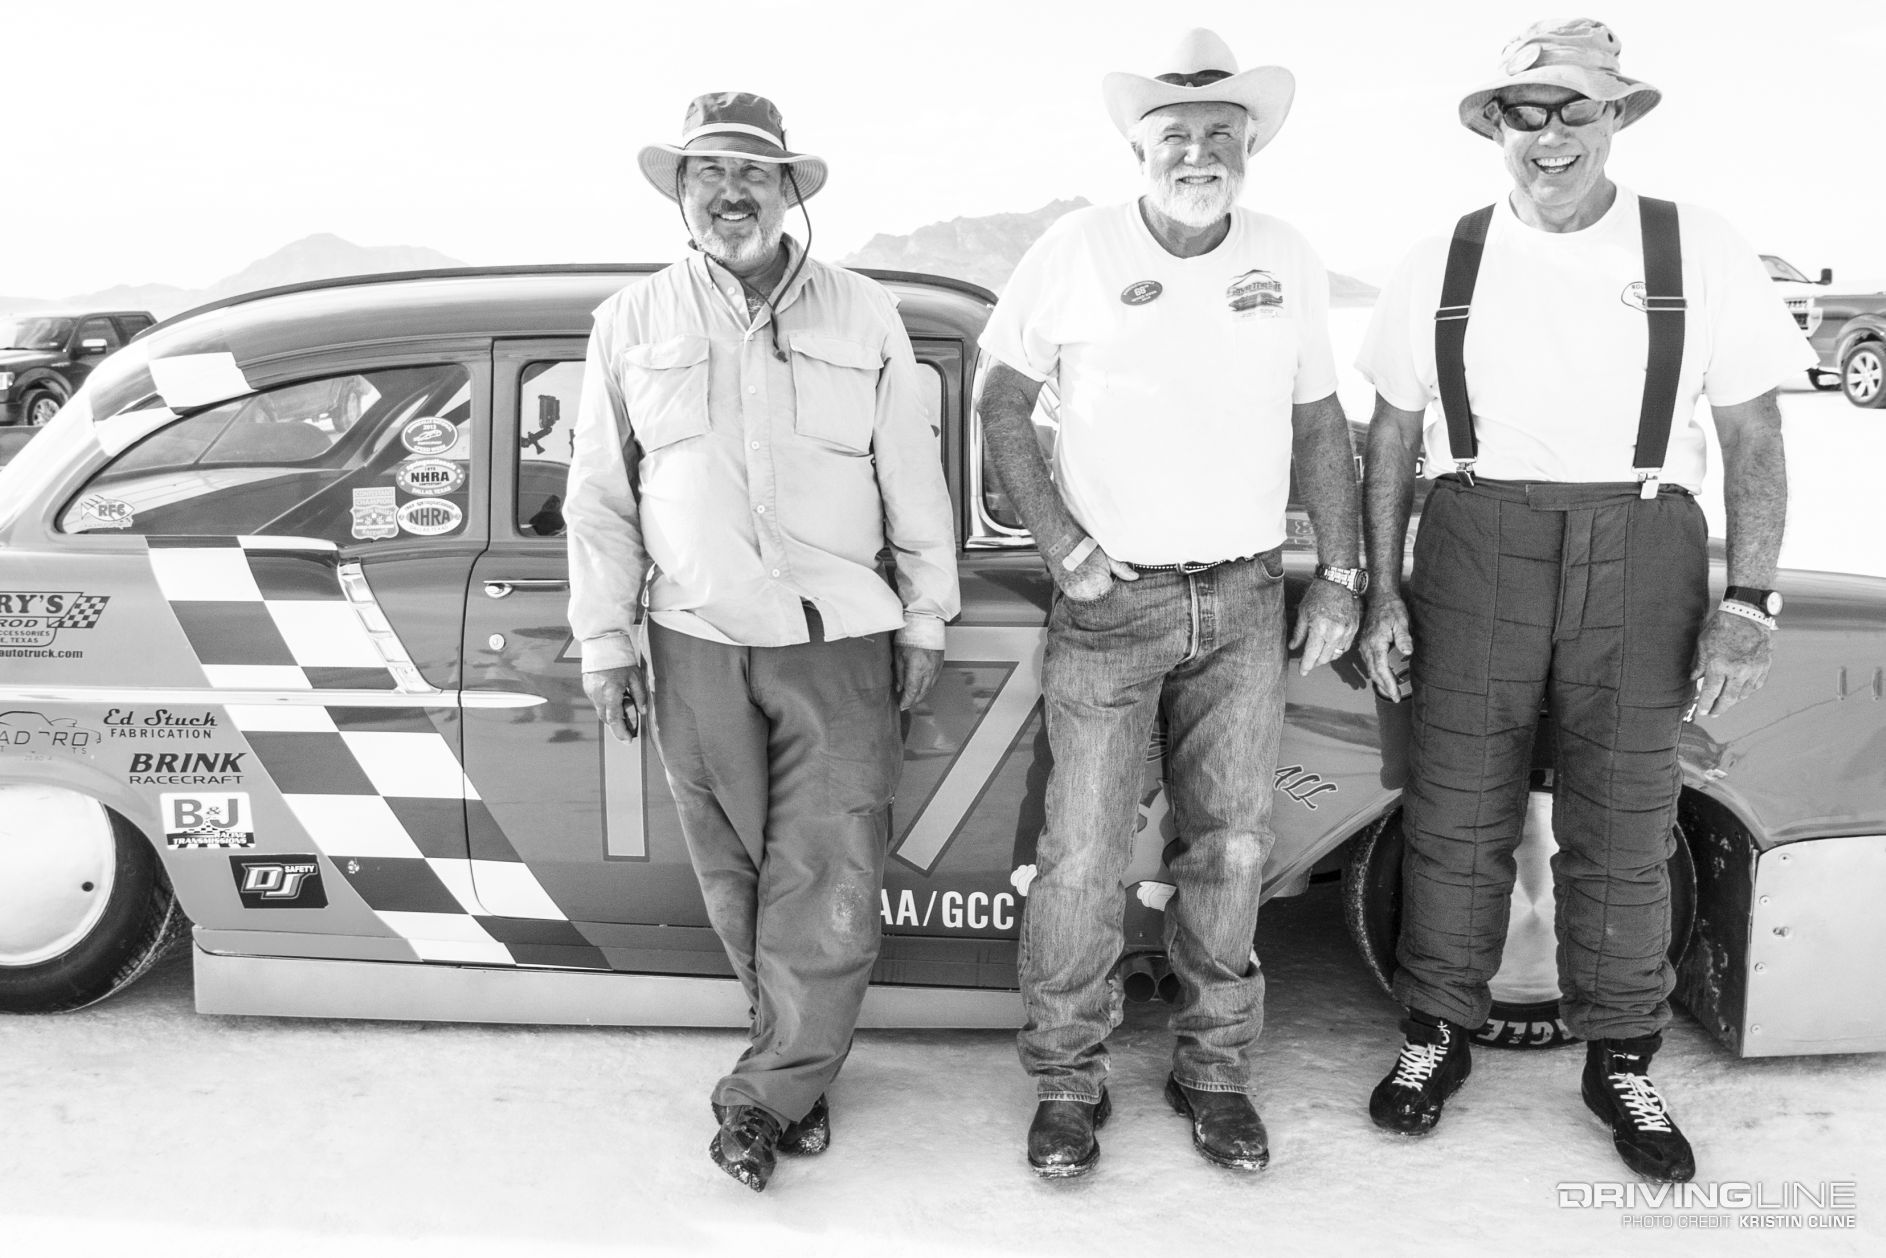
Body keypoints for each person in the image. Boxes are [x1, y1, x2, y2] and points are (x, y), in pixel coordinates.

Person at [1354, 19, 1812, 1184]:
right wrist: (1379, 588)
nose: (1548, 135)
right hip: (1474, 536)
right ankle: (1436, 1029)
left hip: (1641, 536)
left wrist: (1746, 599)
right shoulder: (1441, 257)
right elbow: (1390, 435)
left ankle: (1619, 1055)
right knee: (1456, 805)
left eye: (1574, 109)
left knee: (1622, 814)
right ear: (1493, 126)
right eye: (1525, 111)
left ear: (1614, 117)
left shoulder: (1693, 245)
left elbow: (1752, 432)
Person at [976, 28, 1364, 1179]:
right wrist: (1062, 547)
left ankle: (1213, 1071)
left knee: (1231, 848)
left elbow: (1318, 421)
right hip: (1111, 605)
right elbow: (1000, 401)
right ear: (1135, 147)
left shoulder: (1285, 254)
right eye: (1174, 133)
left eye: (1220, 133)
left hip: (1243, 596)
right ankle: (1064, 1081)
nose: (1198, 152)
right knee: (1082, 856)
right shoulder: (1075, 248)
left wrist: (1340, 570)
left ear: (1250, 146)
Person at [565, 91, 960, 1192]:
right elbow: (600, 494)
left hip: (840, 635)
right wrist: (604, 639)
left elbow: (910, 471)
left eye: (753, 174)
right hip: (691, 633)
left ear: (789, 190)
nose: (730, 194)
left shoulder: (864, 313)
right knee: (734, 869)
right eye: (709, 174)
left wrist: (927, 610)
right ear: (680, 193)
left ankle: (767, 1095)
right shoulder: (629, 320)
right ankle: (791, 1069)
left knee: (829, 869)